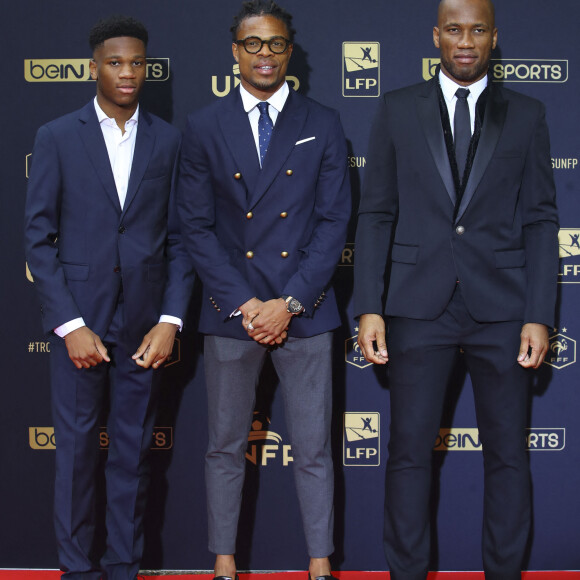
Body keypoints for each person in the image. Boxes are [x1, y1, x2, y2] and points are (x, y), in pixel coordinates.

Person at [353, 0, 559, 578]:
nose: (464, 40)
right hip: (417, 308)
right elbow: (375, 215)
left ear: (493, 37)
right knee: (409, 456)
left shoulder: (528, 112)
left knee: (509, 458)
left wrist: (540, 313)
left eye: (477, 30)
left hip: (504, 308)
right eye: (453, 29)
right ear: (435, 36)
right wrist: (370, 305)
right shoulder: (396, 108)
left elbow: (542, 218)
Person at [177, 1, 351, 578]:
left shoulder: (322, 123)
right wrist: (249, 305)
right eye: (254, 44)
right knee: (224, 447)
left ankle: (320, 566)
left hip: (304, 312)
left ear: (289, 52)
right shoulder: (203, 126)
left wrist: (290, 303)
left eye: (276, 44)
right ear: (235, 52)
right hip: (234, 313)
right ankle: (224, 565)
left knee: (315, 450)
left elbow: (333, 223)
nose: (265, 55)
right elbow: (196, 227)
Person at [24, 15, 193, 580]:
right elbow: (37, 238)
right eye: (115, 62)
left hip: (146, 325)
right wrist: (70, 324)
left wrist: (170, 319)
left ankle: (123, 566)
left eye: (137, 63)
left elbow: (182, 240)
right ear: (94, 66)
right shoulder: (57, 136)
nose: (127, 73)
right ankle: (77, 570)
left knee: (132, 455)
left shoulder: (169, 140)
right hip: (81, 321)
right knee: (74, 457)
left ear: (147, 67)